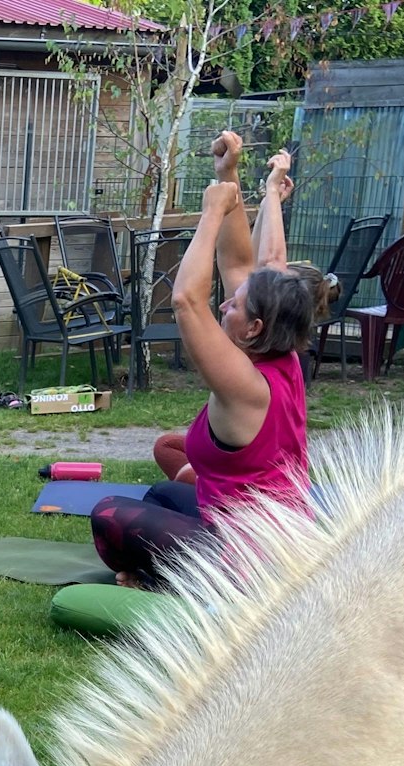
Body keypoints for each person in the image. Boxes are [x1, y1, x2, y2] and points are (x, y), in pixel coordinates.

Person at [94, 133, 333, 588]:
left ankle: (181, 583)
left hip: (256, 555)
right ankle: (176, 570)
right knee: (161, 494)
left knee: (108, 516)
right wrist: (228, 175)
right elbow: (242, 264)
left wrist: (210, 212)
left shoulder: (245, 383)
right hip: (275, 533)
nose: (225, 304)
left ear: (254, 327)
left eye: (234, 306)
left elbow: (187, 300)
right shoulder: (278, 355)